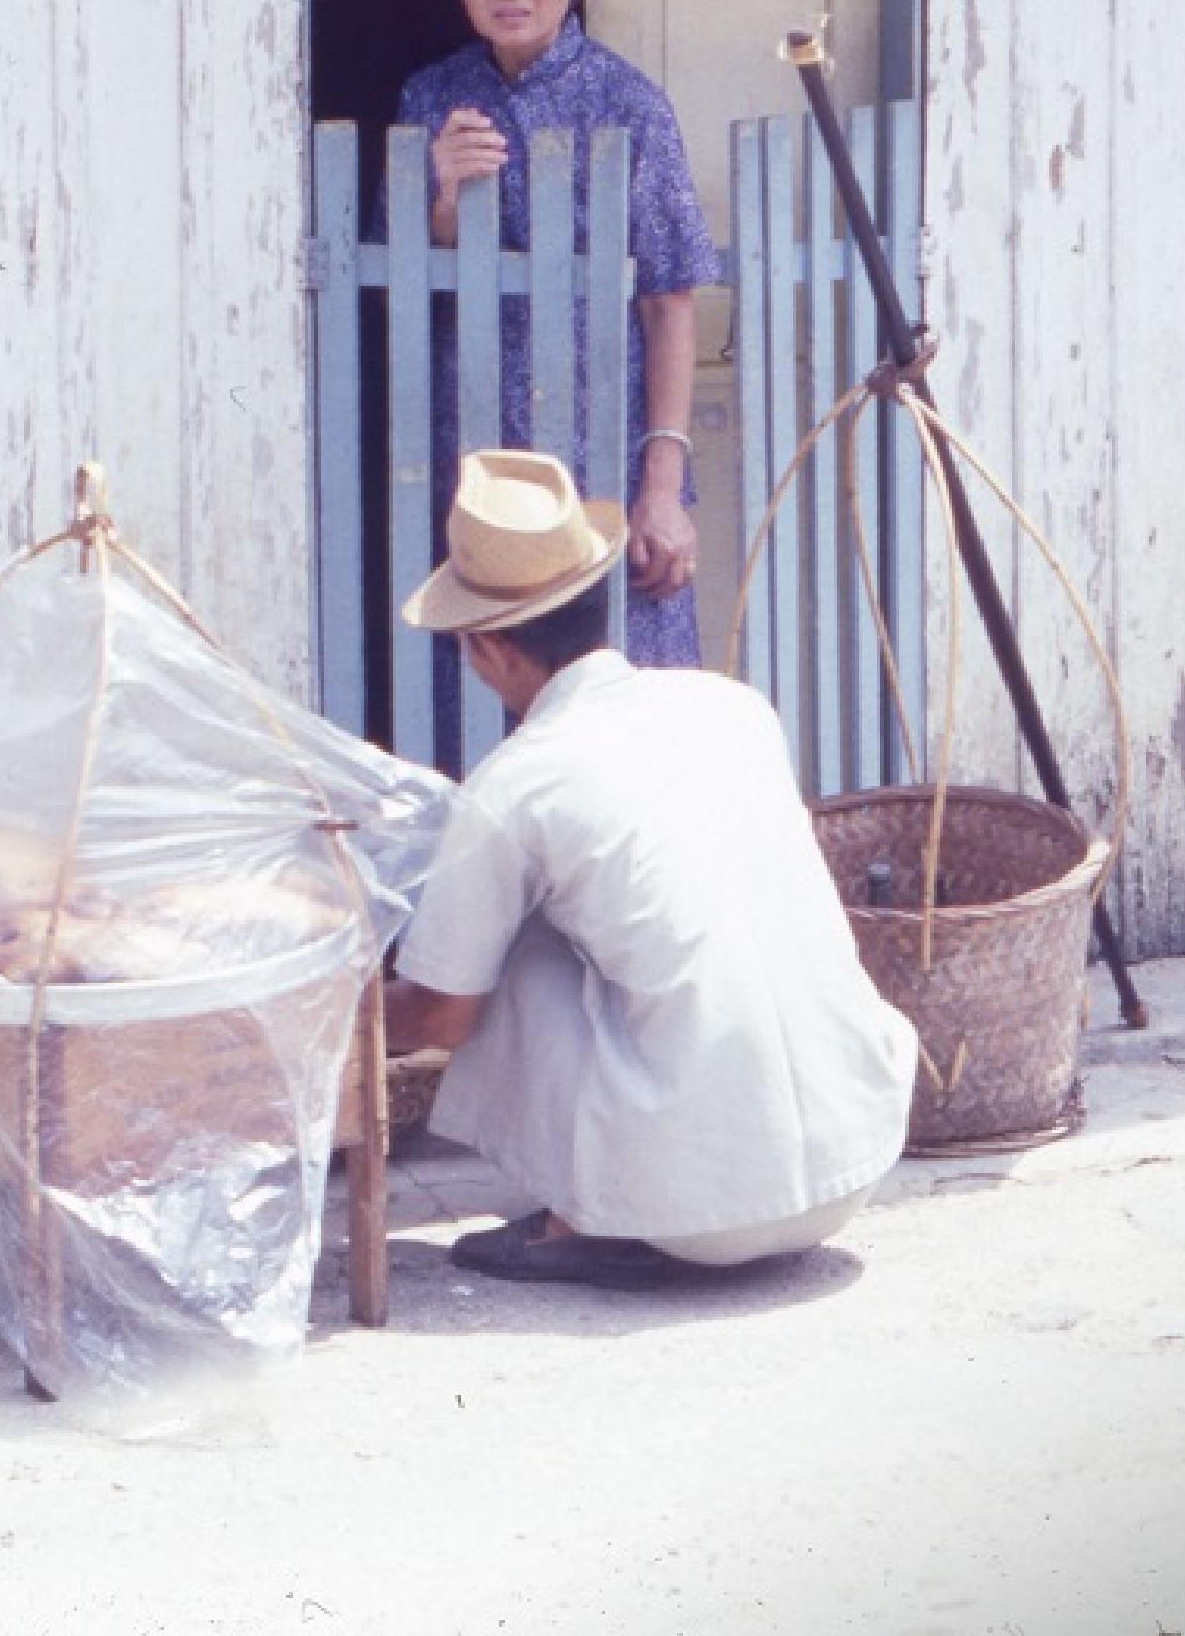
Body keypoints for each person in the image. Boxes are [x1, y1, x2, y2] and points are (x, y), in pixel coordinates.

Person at [384, 448, 920, 1290]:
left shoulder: (518, 781)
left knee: (505, 942)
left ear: (483, 647)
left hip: (695, 1211)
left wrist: (318, 1013)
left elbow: (440, 1018)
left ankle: (579, 1224)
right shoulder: (733, 708)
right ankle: (648, 1180)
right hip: (857, 1160)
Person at [398, 0, 723, 673]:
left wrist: (661, 489)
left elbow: (668, 304)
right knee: (478, 686)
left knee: (621, 686)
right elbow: (397, 283)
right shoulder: (430, 100)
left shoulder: (630, 105)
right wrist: (441, 196)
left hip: (603, 461)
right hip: (474, 458)